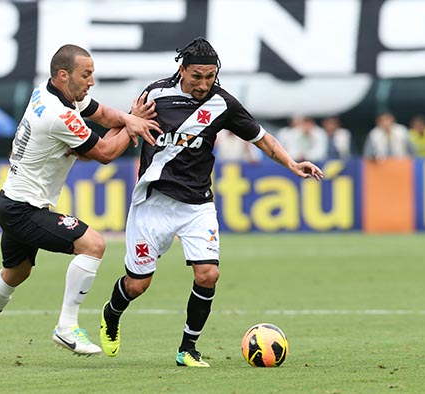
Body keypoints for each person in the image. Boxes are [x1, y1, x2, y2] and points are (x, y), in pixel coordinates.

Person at [98, 37, 323, 367]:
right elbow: (119, 128)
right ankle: (111, 313)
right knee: (137, 284)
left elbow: (262, 138)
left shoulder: (223, 103)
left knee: (208, 275)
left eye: (210, 76)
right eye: (197, 76)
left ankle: (187, 349)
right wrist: (131, 119)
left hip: (197, 205)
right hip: (153, 202)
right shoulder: (156, 95)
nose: (204, 84)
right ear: (182, 70)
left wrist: (291, 163)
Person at [0, 44, 161, 365]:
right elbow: (105, 153)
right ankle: (66, 327)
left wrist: (129, 119)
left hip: (11, 200)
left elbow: (103, 114)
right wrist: (132, 121)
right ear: (64, 75)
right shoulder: (59, 115)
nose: (91, 81)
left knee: (16, 272)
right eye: (86, 74)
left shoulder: (48, 92)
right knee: (93, 244)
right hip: (25, 209)